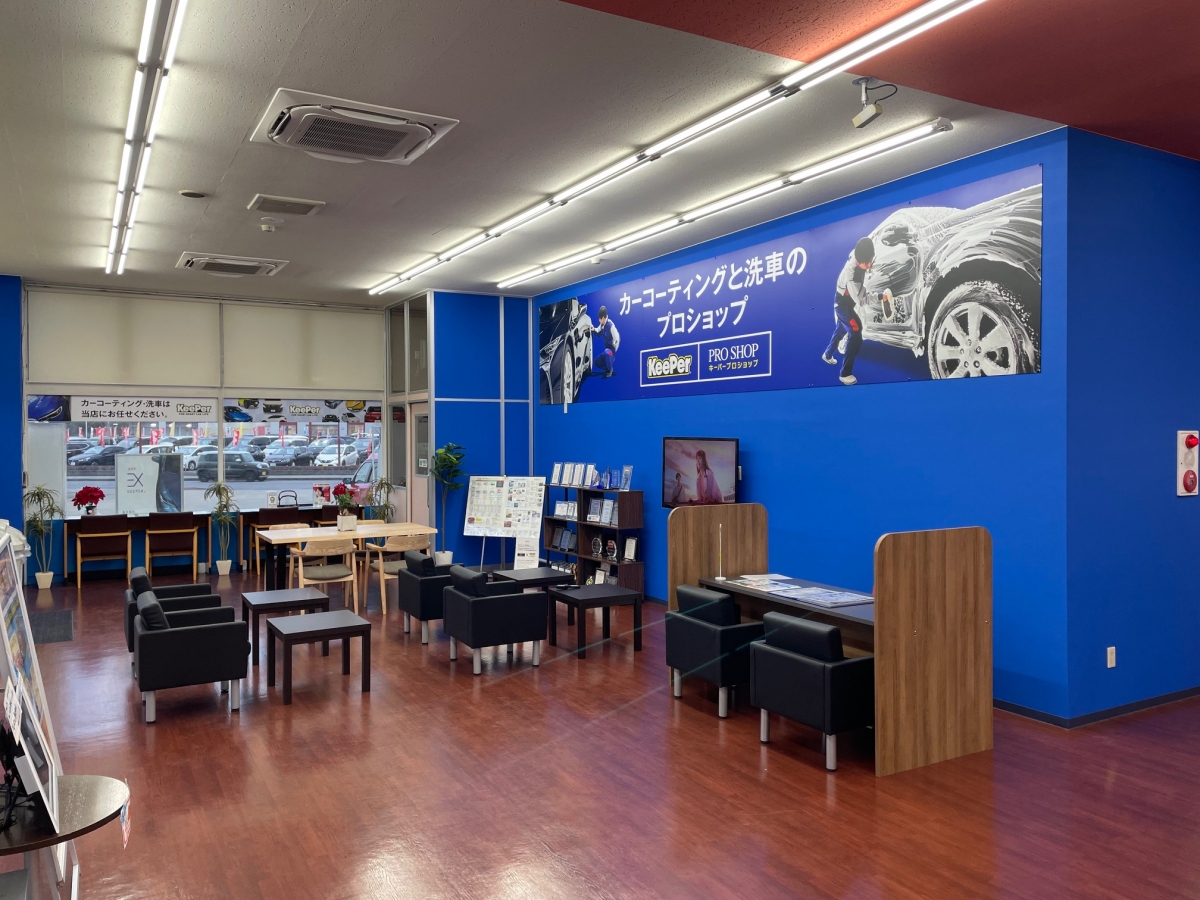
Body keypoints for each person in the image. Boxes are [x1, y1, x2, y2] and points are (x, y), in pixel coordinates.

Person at [822, 236, 875, 385]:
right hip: (842, 306)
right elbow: (862, 300)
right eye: (866, 263)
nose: (869, 265)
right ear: (858, 261)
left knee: (840, 330)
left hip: (846, 303)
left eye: (871, 260)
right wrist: (879, 296)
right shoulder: (851, 277)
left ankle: (827, 355)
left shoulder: (860, 255)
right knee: (856, 331)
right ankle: (845, 373)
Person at [589, 306, 620, 378]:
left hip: (611, 351)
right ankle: (607, 367)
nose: (599, 320)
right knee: (597, 361)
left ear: (603, 318)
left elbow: (617, 339)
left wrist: (614, 349)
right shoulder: (602, 325)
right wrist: (593, 329)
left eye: (599, 319)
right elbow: (598, 331)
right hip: (607, 351)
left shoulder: (610, 326)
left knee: (607, 352)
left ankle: (610, 369)